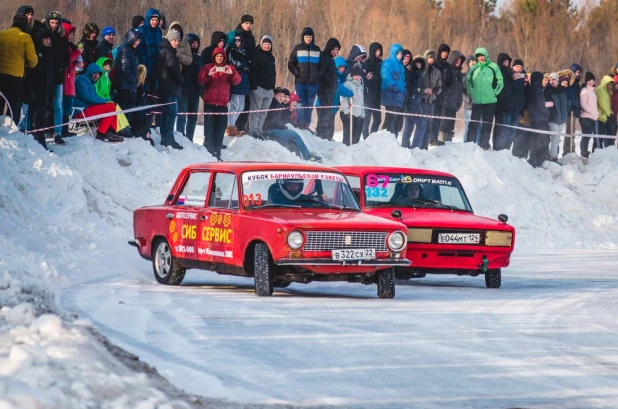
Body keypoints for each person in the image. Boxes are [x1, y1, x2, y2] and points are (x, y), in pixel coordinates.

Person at [198, 47, 241, 160]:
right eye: (217, 56)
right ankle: (209, 152)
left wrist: (231, 74)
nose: (219, 58)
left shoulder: (229, 68)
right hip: (210, 103)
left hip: (222, 104)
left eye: (221, 56)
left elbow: (237, 81)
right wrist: (208, 74)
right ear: (214, 57)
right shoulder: (208, 67)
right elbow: (200, 79)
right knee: (209, 128)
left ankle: (217, 153)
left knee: (220, 129)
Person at [262, 87, 321, 161]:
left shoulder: (279, 104)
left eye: (283, 96)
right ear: (274, 95)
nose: (282, 98)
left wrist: (290, 111)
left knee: (292, 140)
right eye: (280, 96)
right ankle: (307, 156)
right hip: (269, 130)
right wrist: (283, 126)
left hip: (274, 128)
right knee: (294, 134)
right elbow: (273, 120)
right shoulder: (274, 104)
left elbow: (283, 119)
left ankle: (302, 157)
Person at [74, 63, 127, 142]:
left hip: (87, 108)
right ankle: (102, 133)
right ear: (89, 72)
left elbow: (93, 97)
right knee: (111, 106)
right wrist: (105, 101)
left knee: (113, 105)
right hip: (81, 110)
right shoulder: (81, 79)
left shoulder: (91, 83)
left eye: (98, 74)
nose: (96, 76)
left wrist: (105, 101)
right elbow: (86, 96)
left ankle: (109, 132)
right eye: (94, 73)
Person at [0, 13, 37, 124]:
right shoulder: (26, 37)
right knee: (13, 107)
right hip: (15, 77)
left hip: (0, 74)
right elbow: (33, 61)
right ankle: (11, 129)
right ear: (25, 24)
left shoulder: (2, 34)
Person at [465, 47, 504, 149]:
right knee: (473, 123)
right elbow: (468, 81)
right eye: (478, 56)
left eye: (482, 56)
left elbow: (500, 81)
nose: (480, 58)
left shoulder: (493, 67)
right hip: (477, 101)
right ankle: (469, 144)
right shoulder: (474, 68)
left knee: (487, 125)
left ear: (486, 56)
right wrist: (472, 92)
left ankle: (484, 145)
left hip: (490, 101)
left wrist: (495, 92)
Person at [512, 72, 550, 167]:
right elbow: (540, 104)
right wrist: (547, 112)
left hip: (531, 118)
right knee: (541, 141)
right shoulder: (538, 89)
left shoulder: (529, 88)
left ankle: (531, 159)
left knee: (533, 140)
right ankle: (536, 161)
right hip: (540, 118)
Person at [288, 27, 321, 128]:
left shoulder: (317, 49)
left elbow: (321, 66)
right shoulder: (298, 48)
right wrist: (297, 72)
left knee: (310, 106)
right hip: (300, 83)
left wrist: (317, 75)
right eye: (306, 37)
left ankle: (306, 125)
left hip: (313, 84)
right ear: (303, 37)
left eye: (310, 37)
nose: (308, 39)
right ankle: (299, 124)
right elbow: (290, 63)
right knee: (300, 104)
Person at [26, 28, 53, 150]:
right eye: (45, 39)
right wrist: (31, 91)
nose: (48, 41)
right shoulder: (37, 52)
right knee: (36, 118)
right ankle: (39, 144)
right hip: (36, 90)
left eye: (49, 38)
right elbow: (31, 73)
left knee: (41, 117)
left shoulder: (49, 53)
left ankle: (41, 143)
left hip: (45, 90)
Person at [46, 11, 70, 146]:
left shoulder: (61, 40)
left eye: (56, 23)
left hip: (58, 77)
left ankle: (58, 132)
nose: (54, 25)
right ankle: (40, 129)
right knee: (44, 103)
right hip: (46, 75)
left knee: (58, 105)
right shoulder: (44, 36)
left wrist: (62, 68)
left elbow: (66, 57)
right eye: (52, 23)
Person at [157, 30, 184, 149]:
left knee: (165, 114)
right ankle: (169, 138)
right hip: (170, 88)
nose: (176, 43)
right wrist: (181, 81)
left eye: (178, 41)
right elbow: (174, 70)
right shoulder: (169, 53)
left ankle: (165, 137)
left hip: (164, 88)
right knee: (171, 113)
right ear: (170, 40)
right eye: (174, 40)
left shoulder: (163, 50)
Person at [249, 35, 276, 138]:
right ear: (261, 44)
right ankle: (253, 131)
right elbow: (253, 72)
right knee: (255, 111)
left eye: (269, 44)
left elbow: (274, 73)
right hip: (259, 87)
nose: (267, 46)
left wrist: (273, 88)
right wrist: (254, 86)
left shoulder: (271, 57)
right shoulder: (257, 55)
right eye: (265, 44)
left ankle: (259, 130)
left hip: (269, 89)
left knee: (263, 112)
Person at [176, 33, 202, 141]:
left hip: (195, 91)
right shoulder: (184, 57)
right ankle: (180, 137)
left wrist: (201, 88)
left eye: (197, 43)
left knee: (193, 117)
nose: (195, 45)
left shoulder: (199, 58)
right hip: (183, 90)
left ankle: (190, 138)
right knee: (182, 115)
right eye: (193, 43)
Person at [316, 37, 341, 140]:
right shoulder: (323, 56)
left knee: (328, 114)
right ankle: (321, 135)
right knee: (324, 114)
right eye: (334, 49)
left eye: (337, 50)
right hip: (324, 90)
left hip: (330, 91)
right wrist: (330, 83)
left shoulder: (331, 59)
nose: (335, 51)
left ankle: (326, 136)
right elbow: (321, 73)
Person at [60, 21, 82, 138]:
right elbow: (67, 60)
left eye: (73, 34)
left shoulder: (71, 47)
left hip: (71, 79)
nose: (72, 36)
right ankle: (63, 129)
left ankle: (65, 129)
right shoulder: (64, 46)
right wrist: (78, 52)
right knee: (65, 106)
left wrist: (79, 62)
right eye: (70, 33)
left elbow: (73, 62)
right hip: (66, 79)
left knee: (68, 106)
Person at [114, 29, 141, 123]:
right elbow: (125, 68)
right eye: (136, 40)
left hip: (127, 85)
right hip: (125, 85)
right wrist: (133, 80)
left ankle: (126, 127)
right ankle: (124, 128)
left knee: (128, 108)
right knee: (126, 108)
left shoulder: (131, 50)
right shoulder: (126, 49)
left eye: (139, 41)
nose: (137, 43)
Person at [226, 33, 251, 136]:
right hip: (236, 78)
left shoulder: (243, 51)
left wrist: (246, 64)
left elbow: (248, 63)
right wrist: (244, 65)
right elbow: (236, 64)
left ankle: (231, 126)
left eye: (239, 40)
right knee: (234, 105)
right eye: (235, 40)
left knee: (241, 106)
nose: (237, 42)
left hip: (244, 79)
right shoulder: (230, 50)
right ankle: (230, 126)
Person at [438, 50, 465, 144]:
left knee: (450, 126)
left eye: (460, 61)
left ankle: (447, 146)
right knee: (443, 126)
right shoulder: (447, 70)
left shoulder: (459, 74)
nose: (458, 62)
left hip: (454, 105)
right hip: (446, 103)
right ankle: (440, 143)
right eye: (456, 60)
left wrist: (459, 102)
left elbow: (460, 90)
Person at [380, 43, 406, 136]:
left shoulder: (401, 65)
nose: (400, 55)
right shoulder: (387, 63)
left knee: (398, 122)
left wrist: (404, 92)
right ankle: (387, 138)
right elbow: (386, 76)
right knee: (391, 118)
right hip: (390, 95)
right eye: (397, 53)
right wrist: (394, 88)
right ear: (393, 53)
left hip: (399, 96)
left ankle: (394, 140)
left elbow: (403, 81)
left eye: (401, 53)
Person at [430, 43, 452, 146]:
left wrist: (446, 93)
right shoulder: (435, 64)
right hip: (433, 95)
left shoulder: (448, 67)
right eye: (443, 52)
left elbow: (449, 82)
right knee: (432, 118)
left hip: (443, 96)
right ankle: (430, 138)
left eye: (447, 52)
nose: (445, 54)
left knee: (438, 119)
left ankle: (435, 137)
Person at [136, 8, 162, 97]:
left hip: (155, 65)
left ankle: (150, 109)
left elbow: (160, 47)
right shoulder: (142, 30)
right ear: (148, 20)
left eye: (156, 20)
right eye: (153, 20)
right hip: (145, 65)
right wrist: (145, 62)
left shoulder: (158, 31)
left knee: (152, 93)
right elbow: (140, 48)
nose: (154, 22)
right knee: (143, 91)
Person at [403, 55, 427, 149]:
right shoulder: (413, 73)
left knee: (409, 126)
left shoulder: (413, 73)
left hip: (413, 101)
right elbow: (415, 84)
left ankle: (405, 146)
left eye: (421, 65)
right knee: (421, 125)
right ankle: (415, 147)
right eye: (417, 64)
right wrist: (419, 72)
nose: (419, 66)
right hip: (412, 101)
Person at [420, 49, 441, 149]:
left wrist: (434, 91)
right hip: (422, 101)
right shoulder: (421, 70)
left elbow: (440, 87)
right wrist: (424, 90)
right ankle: (418, 147)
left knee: (429, 127)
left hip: (431, 102)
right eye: (430, 58)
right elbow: (416, 86)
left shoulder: (437, 72)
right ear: (426, 58)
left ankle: (425, 148)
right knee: (421, 126)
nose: (432, 60)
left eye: (433, 58)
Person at [340, 65, 365, 146]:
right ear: (352, 75)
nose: (358, 77)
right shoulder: (347, 84)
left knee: (356, 135)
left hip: (358, 114)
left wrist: (362, 113)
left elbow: (362, 101)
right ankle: (346, 149)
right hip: (350, 113)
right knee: (348, 135)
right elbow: (343, 99)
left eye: (359, 76)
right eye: (356, 75)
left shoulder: (361, 86)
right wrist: (346, 111)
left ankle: (354, 150)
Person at [362, 42, 383, 138]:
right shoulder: (366, 62)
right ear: (372, 51)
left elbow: (381, 77)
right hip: (368, 93)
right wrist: (368, 78)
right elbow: (364, 77)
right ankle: (366, 139)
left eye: (379, 51)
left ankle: (372, 138)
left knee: (378, 119)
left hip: (377, 94)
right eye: (376, 51)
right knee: (367, 119)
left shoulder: (381, 63)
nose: (378, 53)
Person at [547, 72, 568, 161]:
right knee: (554, 138)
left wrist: (565, 115)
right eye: (550, 80)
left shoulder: (563, 90)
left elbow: (565, 104)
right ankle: (552, 156)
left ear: (558, 80)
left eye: (554, 79)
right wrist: (552, 113)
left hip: (561, 118)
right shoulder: (548, 90)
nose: (552, 81)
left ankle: (554, 155)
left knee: (558, 139)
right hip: (552, 118)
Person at [564, 63, 582, 155]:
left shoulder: (576, 84)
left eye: (579, 72)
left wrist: (578, 108)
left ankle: (571, 150)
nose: (578, 74)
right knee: (569, 131)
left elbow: (577, 98)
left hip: (574, 110)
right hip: (569, 110)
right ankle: (567, 151)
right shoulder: (570, 83)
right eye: (576, 72)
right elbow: (571, 97)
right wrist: (572, 106)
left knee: (572, 131)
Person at [579, 72, 597, 158]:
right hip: (586, 117)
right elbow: (583, 104)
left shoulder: (592, 91)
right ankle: (583, 152)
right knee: (585, 136)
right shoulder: (584, 90)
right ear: (586, 81)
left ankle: (585, 152)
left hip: (592, 117)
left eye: (593, 80)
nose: (591, 82)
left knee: (588, 136)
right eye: (590, 80)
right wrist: (592, 113)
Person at [594, 75, 615, 150]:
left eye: (611, 84)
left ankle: (599, 152)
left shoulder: (607, 92)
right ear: (605, 83)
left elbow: (608, 105)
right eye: (608, 84)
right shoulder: (600, 90)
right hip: (600, 117)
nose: (610, 86)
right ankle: (596, 152)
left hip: (604, 117)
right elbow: (603, 104)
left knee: (602, 137)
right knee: (599, 138)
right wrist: (610, 114)